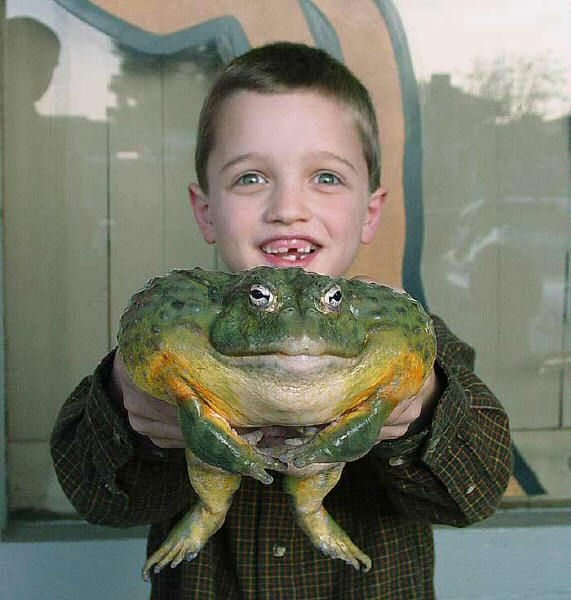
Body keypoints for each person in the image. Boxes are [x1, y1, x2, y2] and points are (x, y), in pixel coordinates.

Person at [50, 42, 512, 599]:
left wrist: (423, 406)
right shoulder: (174, 336)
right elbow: (97, 499)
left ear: (370, 213)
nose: (288, 208)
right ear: (206, 211)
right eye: (250, 178)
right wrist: (130, 405)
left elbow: (474, 496)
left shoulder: (409, 339)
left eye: (326, 177)